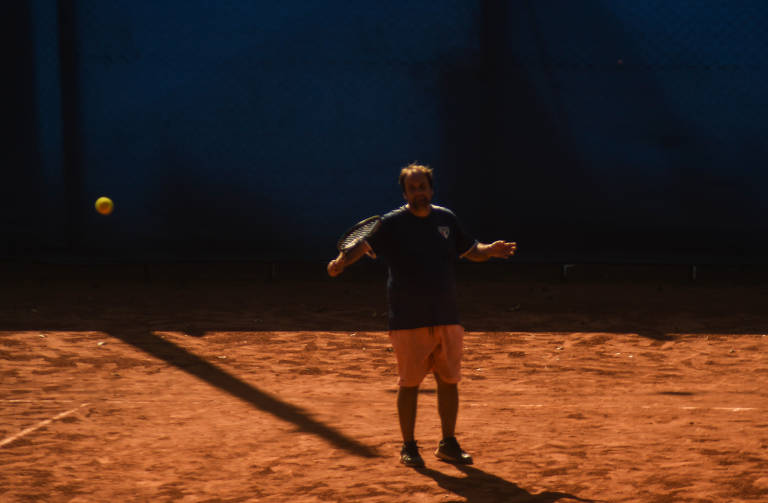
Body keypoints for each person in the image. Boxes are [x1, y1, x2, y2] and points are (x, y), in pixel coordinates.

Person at [327, 163, 517, 467]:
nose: (419, 193)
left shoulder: (446, 219)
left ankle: (448, 443)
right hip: (407, 318)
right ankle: (409, 446)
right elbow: (360, 246)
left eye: (423, 187)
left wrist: (490, 251)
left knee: (449, 381)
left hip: (447, 315)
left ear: (431, 189)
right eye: (413, 188)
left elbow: (471, 250)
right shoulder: (390, 223)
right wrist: (340, 262)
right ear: (405, 193)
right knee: (410, 383)